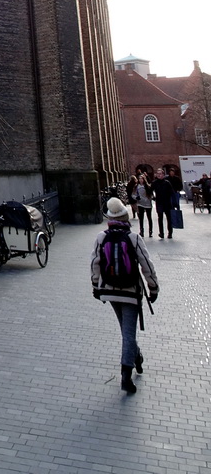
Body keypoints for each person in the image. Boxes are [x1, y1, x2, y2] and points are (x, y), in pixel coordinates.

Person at [91, 197, 158, 393]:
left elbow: (94, 262)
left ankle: (136, 357)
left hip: (109, 291)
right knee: (128, 333)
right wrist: (153, 288)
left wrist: (96, 285)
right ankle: (126, 376)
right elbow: (147, 265)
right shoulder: (133, 238)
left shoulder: (101, 237)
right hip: (130, 292)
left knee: (125, 331)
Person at [151, 168, 174, 239]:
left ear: (163, 175)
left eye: (160, 174)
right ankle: (161, 233)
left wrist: (172, 203)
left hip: (167, 202)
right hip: (159, 202)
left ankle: (170, 233)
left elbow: (171, 192)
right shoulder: (154, 183)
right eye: (157, 174)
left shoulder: (167, 183)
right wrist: (153, 197)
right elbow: (150, 190)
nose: (159, 175)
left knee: (169, 218)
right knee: (160, 218)